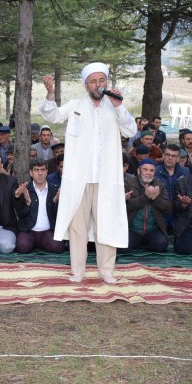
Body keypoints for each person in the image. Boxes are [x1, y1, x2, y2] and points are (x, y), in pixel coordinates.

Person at [39, 62, 136, 283]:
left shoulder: (114, 107)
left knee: (106, 224)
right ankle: (77, 272)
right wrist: (50, 93)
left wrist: (119, 107)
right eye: (93, 81)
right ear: (86, 85)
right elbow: (52, 116)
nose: (98, 84)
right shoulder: (76, 105)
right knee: (77, 228)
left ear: (107, 82)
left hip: (106, 179)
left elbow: (130, 130)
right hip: (79, 179)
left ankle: (107, 271)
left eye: (102, 80)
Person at [121, 159, 171, 253]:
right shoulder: (128, 184)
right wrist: (145, 197)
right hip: (132, 229)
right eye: (145, 169)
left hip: (151, 230)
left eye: (152, 170)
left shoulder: (159, 185)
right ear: (138, 171)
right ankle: (137, 243)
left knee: (161, 244)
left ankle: (140, 244)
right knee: (122, 248)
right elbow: (125, 207)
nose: (148, 173)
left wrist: (155, 198)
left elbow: (168, 208)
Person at [16, 159, 64, 253]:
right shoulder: (25, 189)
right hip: (29, 231)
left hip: (47, 231)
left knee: (57, 247)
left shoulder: (55, 190)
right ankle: (33, 243)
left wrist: (55, 201)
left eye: (42, 170)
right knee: (22, 246)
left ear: (47, 172)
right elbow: (20, 214)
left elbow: (59, 216)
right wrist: (27, 202)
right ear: (31, 172)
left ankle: (42, 243)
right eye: (36, 170)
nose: (40, 173)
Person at [155, 144, 190, 232]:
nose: (170, 158)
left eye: (174, 156)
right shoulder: (155, 171)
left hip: (179, 214)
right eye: (167, 155)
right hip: (160, 214)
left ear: (178, 158)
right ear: (163, 156)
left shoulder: (186, 172)